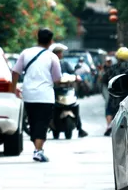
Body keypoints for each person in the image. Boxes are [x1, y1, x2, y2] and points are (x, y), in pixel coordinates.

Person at [12, 28, 62, 162]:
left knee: (33, 122)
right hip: (45, 96)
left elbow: (15, 72)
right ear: (50, 41)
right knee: (42, 123)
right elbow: (57, 78)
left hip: (29, 95)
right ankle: (38, 150)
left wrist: (13, 89)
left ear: (37, 38)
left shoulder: (26, 53)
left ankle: (37, 149)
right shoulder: (52, 57)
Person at [51, 43, 88, 137]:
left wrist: (76, 77)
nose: (60, 54)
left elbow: (72, 72)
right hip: (54, 90)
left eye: (60, 53)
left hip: (66, 89)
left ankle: (79, 128)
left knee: (74, 105)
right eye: (58, 53)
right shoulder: (50, 64)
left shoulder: (65, 63)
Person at [102, 46, 128, 136]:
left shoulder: (113, 67)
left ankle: (109, 125)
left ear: (117, 57)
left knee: (109, 108)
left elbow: (105, 80)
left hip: (114, 94)